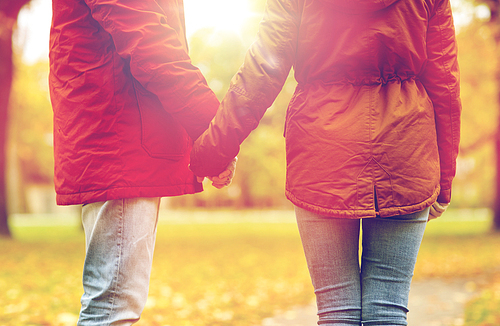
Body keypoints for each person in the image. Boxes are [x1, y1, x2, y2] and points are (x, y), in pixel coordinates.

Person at [189, 0, 461, 324]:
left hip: (323, 151)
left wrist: (214, 151)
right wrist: (443, 181)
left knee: (336, 310)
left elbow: (262, 71)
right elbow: (445, 84)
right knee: (388, 308)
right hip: (405, 150)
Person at [49, 0, 234, 324]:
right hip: (119, 136)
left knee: (113, 304)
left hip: (118, 133)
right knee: (113, 308)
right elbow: (149, 39)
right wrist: (212, 130)